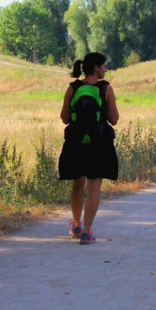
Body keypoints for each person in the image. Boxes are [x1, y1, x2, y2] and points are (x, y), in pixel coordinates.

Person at [58, 52, 119, 245]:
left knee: (78, 184)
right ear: (95, 67)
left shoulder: (73, 88)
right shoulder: (105, 88)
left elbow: (64, 118)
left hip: (76, 143)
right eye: (103, 66)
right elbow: (114, 119)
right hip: (99, 144)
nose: (106, 69)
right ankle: (86, 232)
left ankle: (76, 225)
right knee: (94, 188)